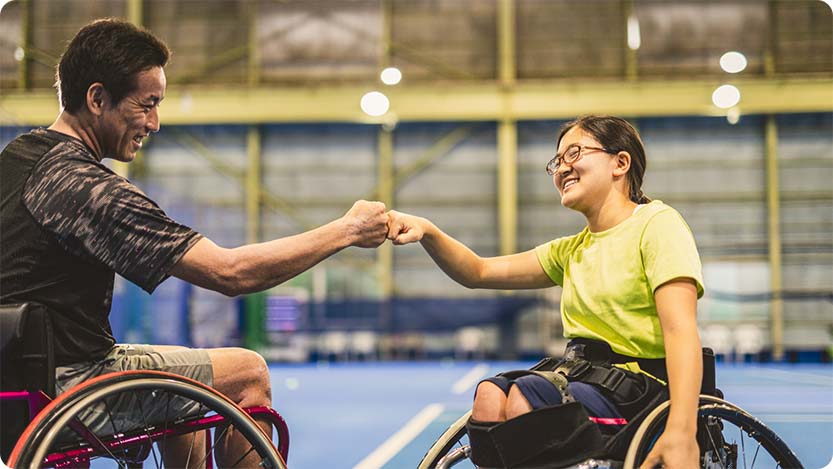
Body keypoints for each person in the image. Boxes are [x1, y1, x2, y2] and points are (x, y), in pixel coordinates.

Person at [0, 18, 388, 466]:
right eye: (147, 105)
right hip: (66, 389)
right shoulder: (87, 187)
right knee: (246, 372)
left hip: (17, 384)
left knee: (186, 368)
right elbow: (231, 273)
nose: (155, 122)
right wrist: (347, 230)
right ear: (97, 98)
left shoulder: (15, 160)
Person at [386, 115, 704, 468]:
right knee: (490, 396)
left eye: (574, 153)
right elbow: (477, 271)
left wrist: (681, 430)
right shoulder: (570, 250)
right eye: (557, 162)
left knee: (529, 396)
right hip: (582, 378)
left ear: (620, 163)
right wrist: (428, 231)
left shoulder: (657, 224)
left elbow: (680, 330)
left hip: (641, 392)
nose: (561, 169)